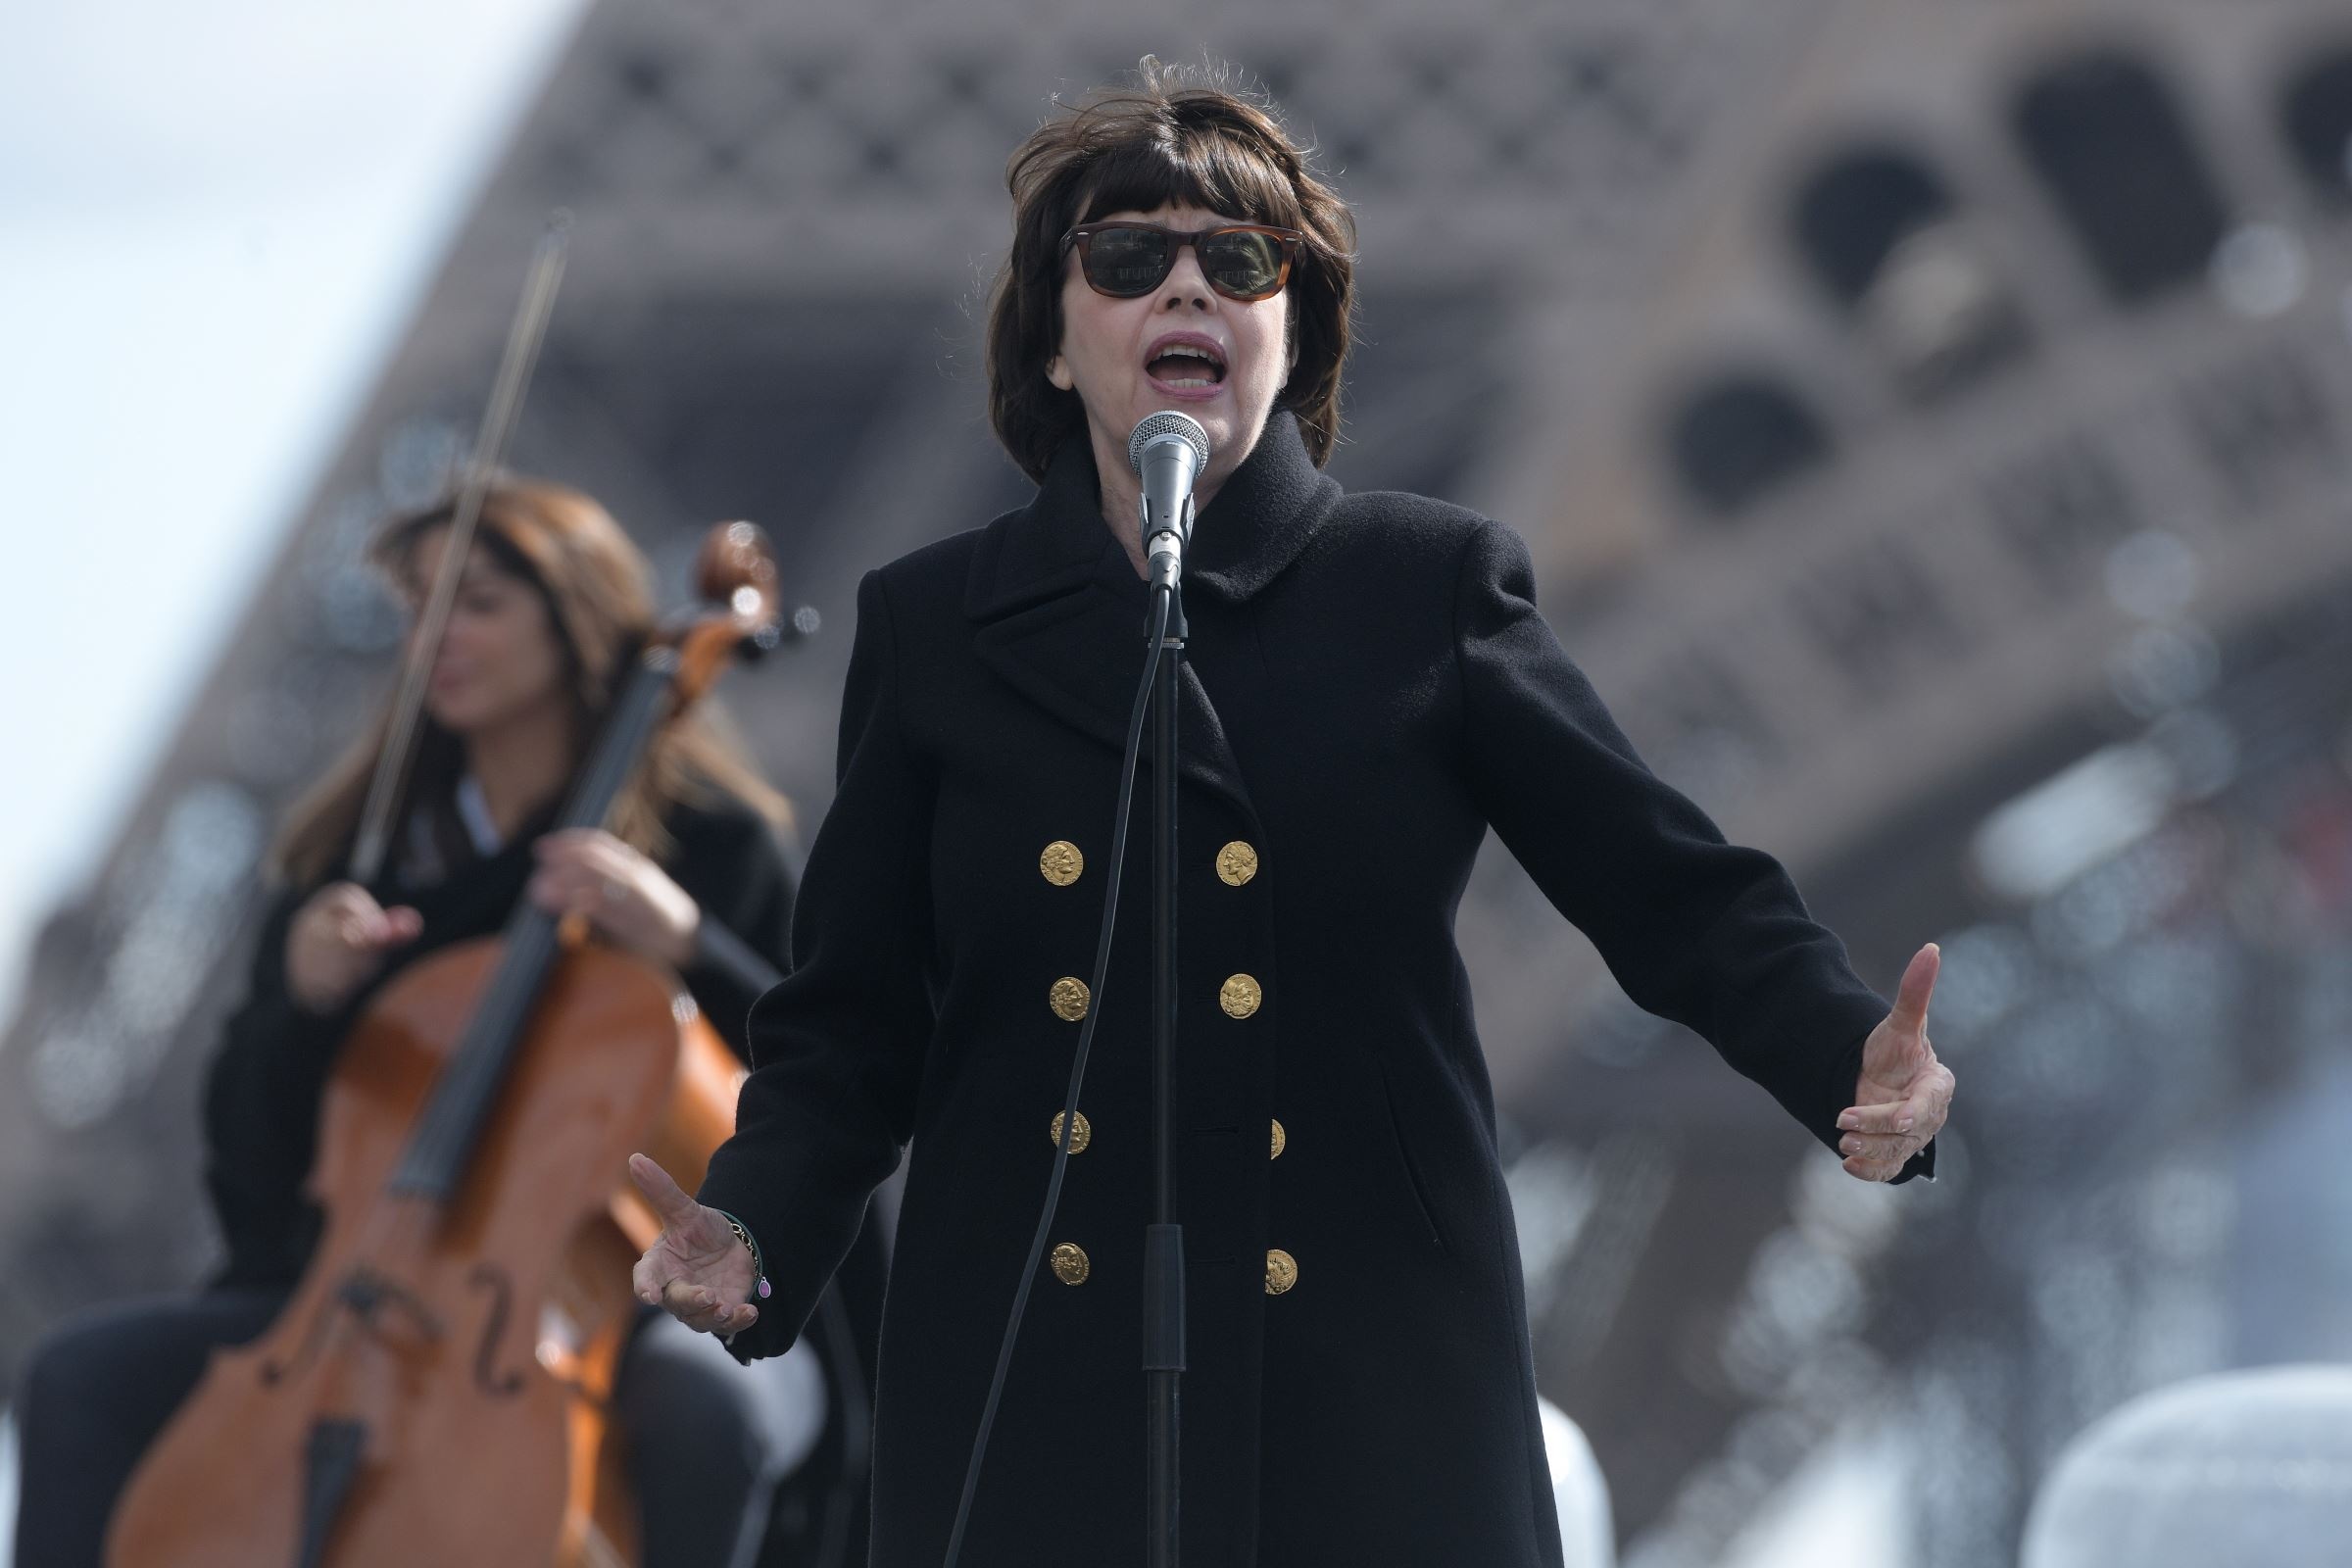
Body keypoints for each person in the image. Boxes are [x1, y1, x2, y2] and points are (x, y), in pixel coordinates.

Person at [627, 61, 1957, 1568]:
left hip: (1365, 1362)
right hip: (1034, 1374)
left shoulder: (1426, 590)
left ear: (1291, 327)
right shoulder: (933, 628)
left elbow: (1661, 884)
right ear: (1055, 346)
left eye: (1239, 261)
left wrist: (1848, 1056)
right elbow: (855, 1017)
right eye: (1130, 258)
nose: (1185, 285)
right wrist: (757, 1224)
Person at [12, 478, 881, 1568]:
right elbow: (252, 1181)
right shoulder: (359, 865)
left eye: (475, 603)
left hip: (670, 1294)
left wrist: (690, 941)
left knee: (703, 1419)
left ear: (572, 619)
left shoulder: (707, 849)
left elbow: (838, 1076)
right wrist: (299, 1002)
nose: (435, 635)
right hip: (367, 1297)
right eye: (417, 605)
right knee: (81, 1375)